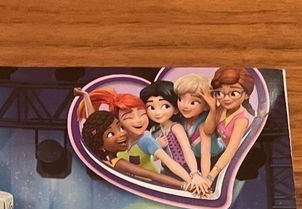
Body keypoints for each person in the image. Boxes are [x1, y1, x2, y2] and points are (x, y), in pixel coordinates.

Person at [73, 88, 205, 195]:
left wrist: (191, 181)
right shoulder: (119, 143)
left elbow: (168, 163)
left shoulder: (145, 140)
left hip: (155, 186)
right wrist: (86, 96)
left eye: (142, 114)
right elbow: (93, 123)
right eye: (129, 117)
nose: (138, 121)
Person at [140, 81, 210, 194]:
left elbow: (187, 150)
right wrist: (157, 146)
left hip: (186, 170)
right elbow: (155, 158)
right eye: (151, 107)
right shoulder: (154, 131)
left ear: (176, 109)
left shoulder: (176, 127)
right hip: (167, 171)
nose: (157, 112)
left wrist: (194, 174)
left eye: (165, 106)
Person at [206, 67, 256, 184]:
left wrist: (211, 176)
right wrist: (213, 109)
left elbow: (231, 150)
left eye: (233, 93)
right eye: (220, 93)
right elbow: (208, 131)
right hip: (222, 154)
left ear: (246, 95)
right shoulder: (221, 109)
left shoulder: (242, 120)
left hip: (239, 159)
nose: (226, 99)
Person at [173, 73, 222, 176]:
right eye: (180, 99)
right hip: (194, 158)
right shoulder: (182, 119)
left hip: (213, 159)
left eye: (193, 103)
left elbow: (205, 155)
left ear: (206, 106)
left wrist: (205, 178)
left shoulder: (203, 124)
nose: (185, 106)